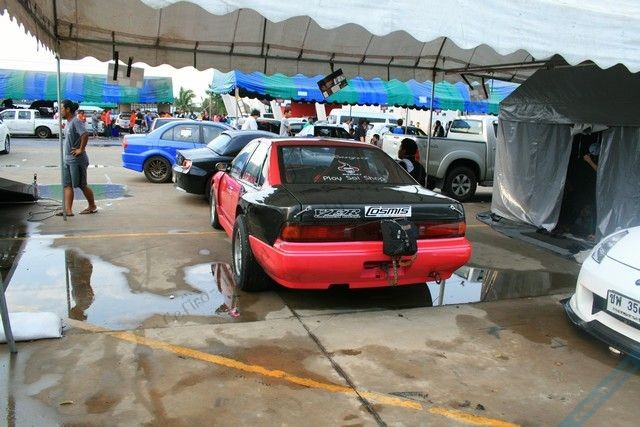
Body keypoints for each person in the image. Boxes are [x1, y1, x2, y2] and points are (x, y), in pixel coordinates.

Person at [57, 99, 97, 216]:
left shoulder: (76, 121)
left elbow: (85, 134)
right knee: (67, 185)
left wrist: (81, 149)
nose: (60, 111)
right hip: (67, 159)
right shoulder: (68, 122)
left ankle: (92, 206)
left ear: (68, 109)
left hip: (77, 160)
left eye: (62, 108)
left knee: (81, 185)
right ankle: (68, 210)